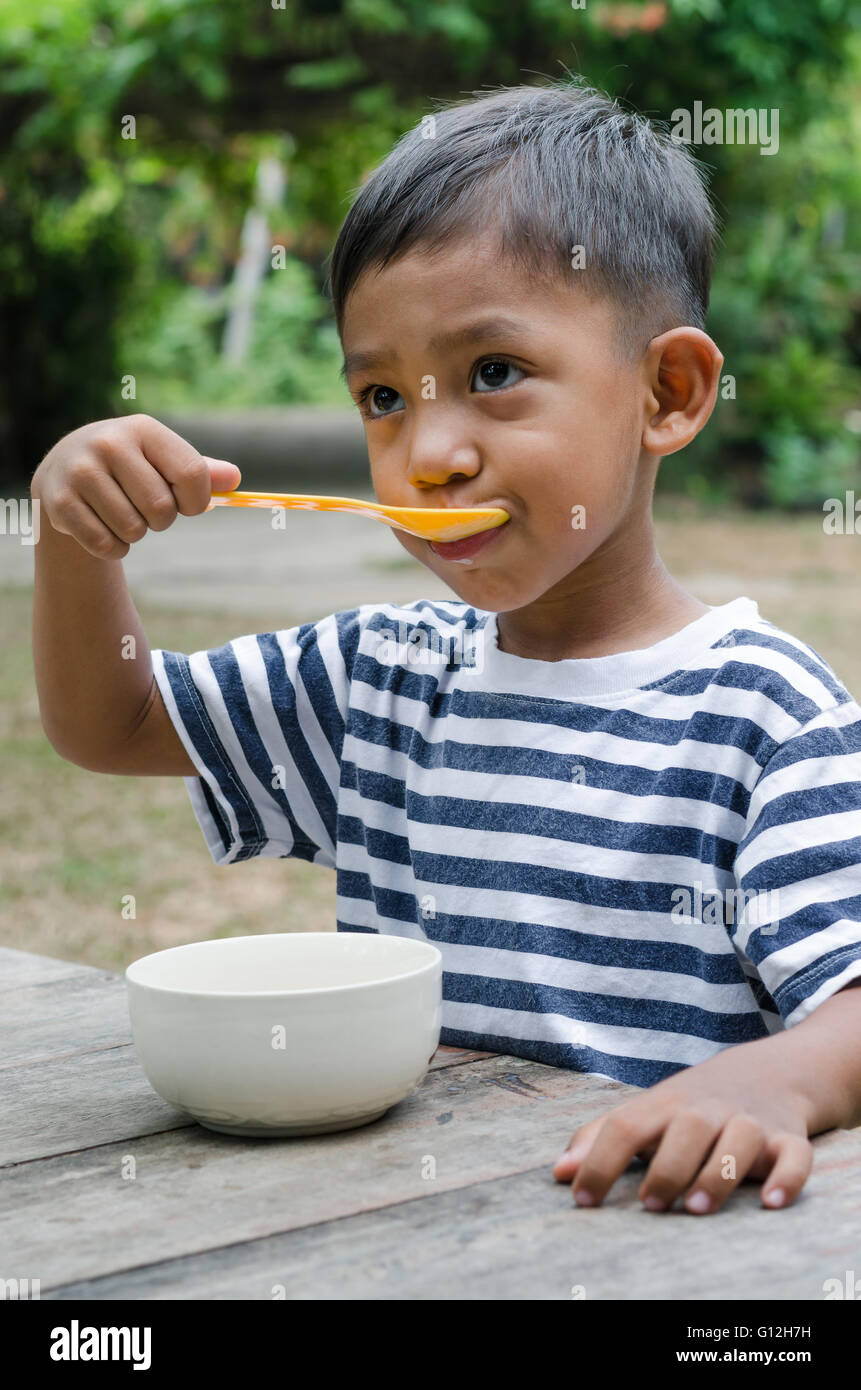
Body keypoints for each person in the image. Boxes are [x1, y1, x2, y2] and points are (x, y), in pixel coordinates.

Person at [30, 82, 861, 1217]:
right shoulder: (379, 680)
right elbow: (110, 724)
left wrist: (769, 1080)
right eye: (383, 395)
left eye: (492, 375)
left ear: (668, 393)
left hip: (655, 1238)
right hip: (408, 1231)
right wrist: (81, 549)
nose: (427, 453)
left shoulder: (769, 718)